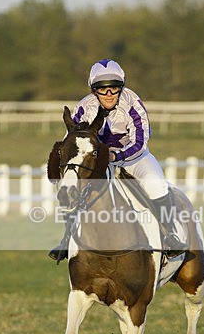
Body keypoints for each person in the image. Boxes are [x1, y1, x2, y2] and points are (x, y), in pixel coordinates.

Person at [49, 58, 188, 262]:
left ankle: (170, 235)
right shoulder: (84, 107)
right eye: (102, 89)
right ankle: (67, 239)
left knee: (157, 184)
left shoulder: (132, 103)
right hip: (98, 161)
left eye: (114, 89)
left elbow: (140, 140)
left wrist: (116, 155)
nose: (108, 94)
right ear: (93, 90)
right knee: (71, 187)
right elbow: (74, 140)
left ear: (121, 87)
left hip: (133, 158)